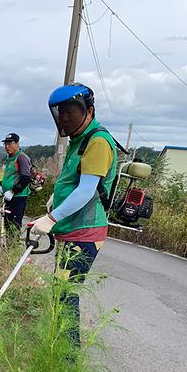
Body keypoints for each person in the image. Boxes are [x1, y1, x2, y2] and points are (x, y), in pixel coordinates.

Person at [30, 83, 117, 349]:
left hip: (85, 231)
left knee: (66, 296)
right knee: (60, 293)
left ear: (88, 111)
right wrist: (56, 197)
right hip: (72, 230)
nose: (65, 118)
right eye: (61, 113)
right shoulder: (80, 140)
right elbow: (74, 181)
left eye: (71, 112)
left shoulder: (98, 142)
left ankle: (67, 367)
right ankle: (57, 350)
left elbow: (87, 191)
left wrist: (52, 218)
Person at [0, 133, 33, 235]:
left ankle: (12, 247)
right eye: (5, 144)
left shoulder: (21, 158)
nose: (7, 146)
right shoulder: (10, 158)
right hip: (8, 196)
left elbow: (26, 178)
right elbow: (9, 175)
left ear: (17, 143)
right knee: (7, 223)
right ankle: (7, 247)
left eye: (10, 143)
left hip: (18, 197)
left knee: (14, 225)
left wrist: (13, 191)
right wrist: (1, 185)